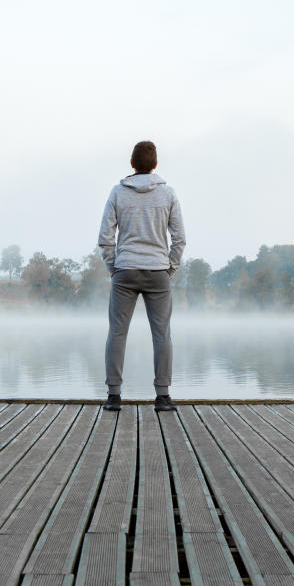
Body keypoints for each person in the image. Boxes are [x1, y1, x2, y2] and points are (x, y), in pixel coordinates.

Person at [97, 140, 185, 411]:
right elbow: (179, 238)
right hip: (158, 272)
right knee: (162, 334)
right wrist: (170, 268)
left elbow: (105, 237)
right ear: (156, 165)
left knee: (117, 332)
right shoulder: (168, 194)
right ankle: (162, 397)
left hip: (125, 270)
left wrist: (114, 267)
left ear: (132, 164)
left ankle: (113, 396)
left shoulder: (117, 193)